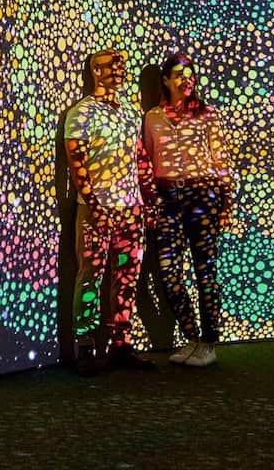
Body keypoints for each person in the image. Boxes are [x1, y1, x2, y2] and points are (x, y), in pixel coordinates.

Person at [64, 48, 156, 375]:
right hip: (96, 209)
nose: (116, 71)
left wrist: (149, 199)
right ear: (94, 71)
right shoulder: (81, 113)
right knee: (90, 276)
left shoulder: (131, 113)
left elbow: (140, 159)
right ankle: (85, 346)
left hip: (131, 208)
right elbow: (77, 164)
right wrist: (92, 202)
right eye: (108, 66)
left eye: (120, 66)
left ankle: (121, 343)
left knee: (127, 278)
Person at [142, 53, 235, 368]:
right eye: (178, 74)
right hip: (168, 197)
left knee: (204, 271)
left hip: (202, 195)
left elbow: (221, 160)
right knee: (169, 273)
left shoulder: (208, 115)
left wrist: (227, 202)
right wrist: (151, 200)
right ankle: (193, 336)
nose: (186, 80)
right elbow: (149, 161)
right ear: (166, 81)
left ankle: (209, 342)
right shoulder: (152, 117)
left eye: (190, 74)